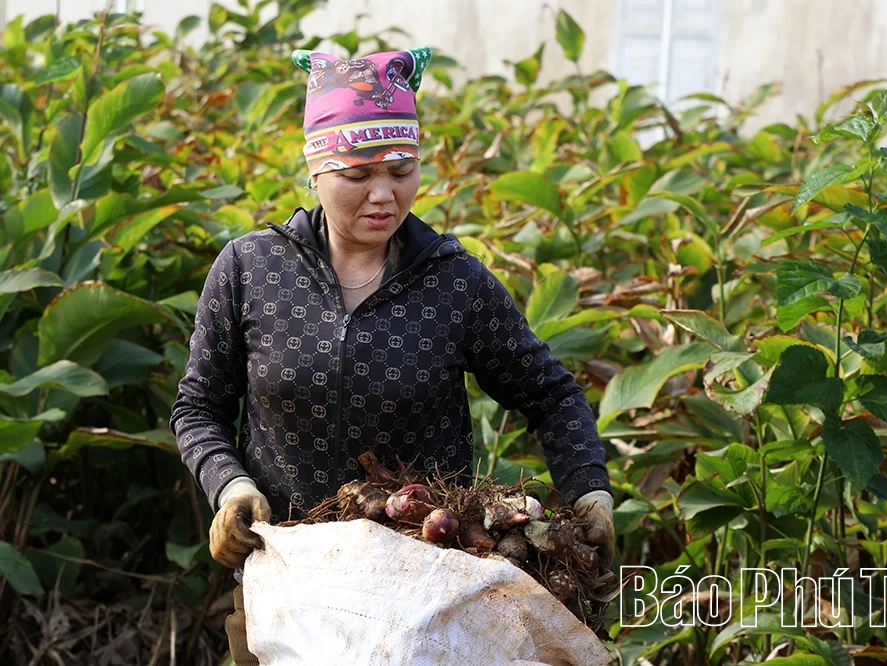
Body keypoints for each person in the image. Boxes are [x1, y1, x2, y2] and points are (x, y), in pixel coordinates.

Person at [168, 46, 615, 665]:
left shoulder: (455, 281)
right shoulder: (251, 269)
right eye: (358, 174)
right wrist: (230, 485)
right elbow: (198, 408)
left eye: (402, 170)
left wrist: (589, 488)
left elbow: (551, 394)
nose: (383, 194)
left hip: (426, 598)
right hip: (287, 584)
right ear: (316, 169)